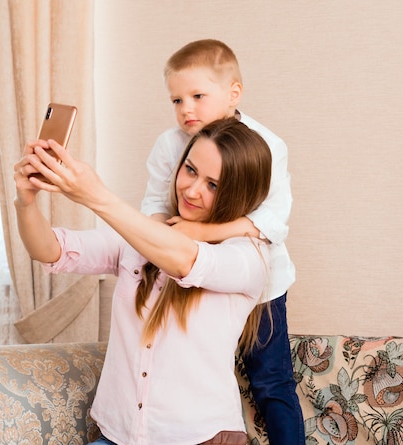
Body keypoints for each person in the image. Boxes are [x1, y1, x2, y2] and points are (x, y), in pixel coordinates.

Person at [14, 118, 273, 445]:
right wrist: (25, 202)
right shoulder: (140, 237)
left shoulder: (249, 256)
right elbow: (50, 250)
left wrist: (96, 196)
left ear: (238, 194)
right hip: (118, 436)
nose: (192, 190)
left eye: (213, 185)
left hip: (201, 437)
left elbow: (185, 260)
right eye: (190, 170)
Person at [141, 39, 305, 444]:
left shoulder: (265, 144)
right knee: (186, 371)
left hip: (259, 287)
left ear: (234, 93)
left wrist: (199, 233)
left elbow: (270, 222)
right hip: (190, 281)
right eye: (177, 100)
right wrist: (168, 241)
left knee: (272, 383)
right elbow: (153, 206)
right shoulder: (170, 144)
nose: (186, 110)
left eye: (197, 96)